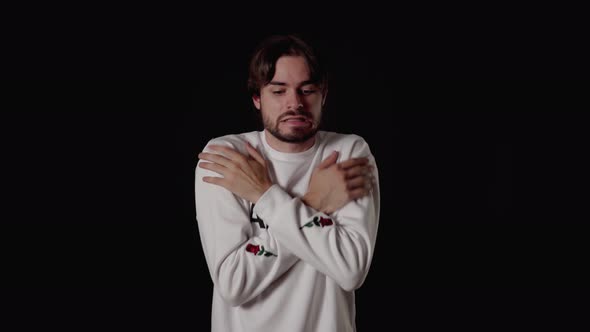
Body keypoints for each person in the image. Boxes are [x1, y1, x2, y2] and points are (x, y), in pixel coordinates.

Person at [194, 34, 380, 332]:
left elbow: (350, 269)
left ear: (324, 94)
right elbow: (234, 283)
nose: (295, 103)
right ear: (257, 98)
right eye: (278, 91)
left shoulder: (347, 153)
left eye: (307, 90)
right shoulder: (228, 158)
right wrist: (314, 202)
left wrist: (264, 195)